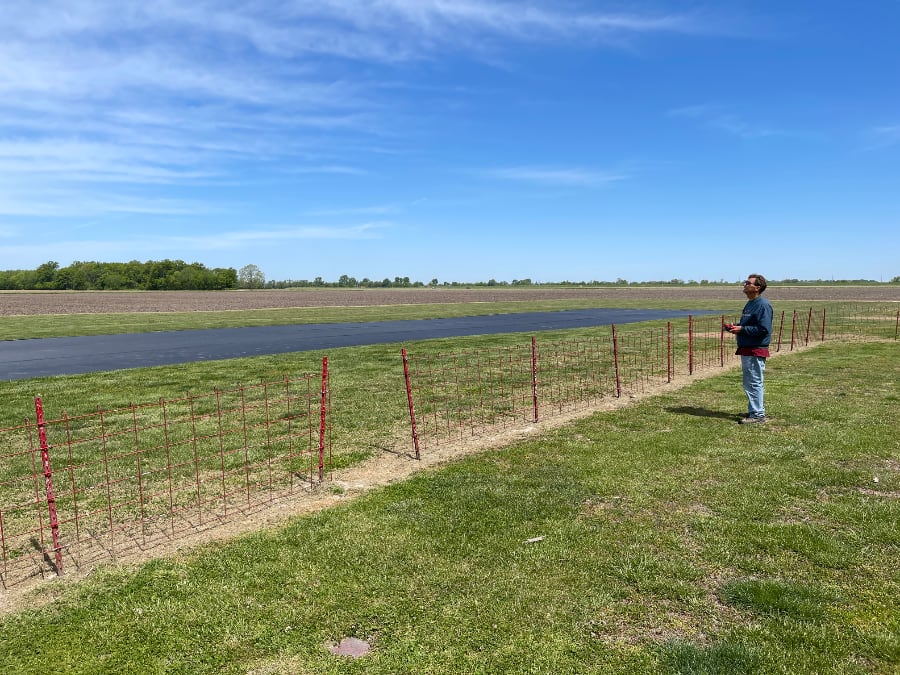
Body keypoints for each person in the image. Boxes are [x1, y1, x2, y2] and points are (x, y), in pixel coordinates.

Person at [724, 274, 773, 424]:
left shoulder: (762, 305)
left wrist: (742, 329)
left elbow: (764, 329)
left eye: (748, 283)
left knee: (754, 381)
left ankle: (757, 415)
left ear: (757, 287)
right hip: (746, 348)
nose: (744, 285)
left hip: (755, 349)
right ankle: (754, 410)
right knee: (749, 381)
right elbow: (748, 325)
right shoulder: (750, 304)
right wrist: (736, 327)